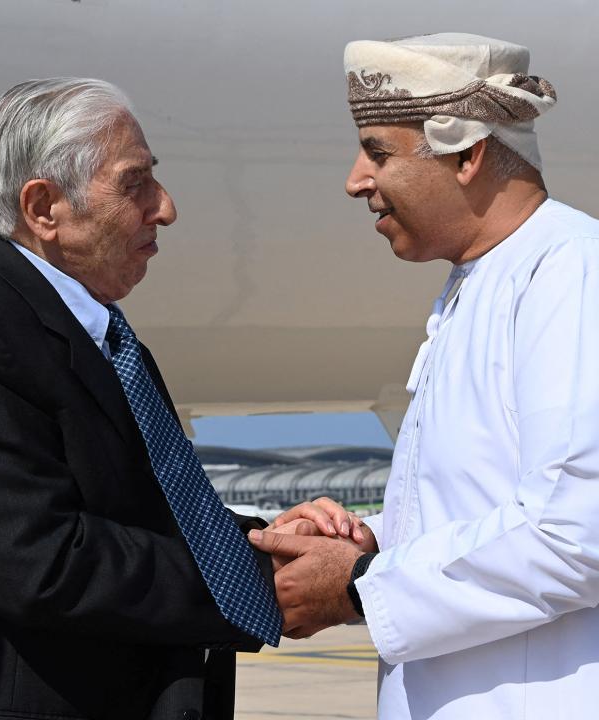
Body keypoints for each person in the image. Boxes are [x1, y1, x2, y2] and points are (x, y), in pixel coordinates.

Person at [0, 78, 355, 720]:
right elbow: (42, 562)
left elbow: (145, 521)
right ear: (44, 207)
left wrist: (267, 539)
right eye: (134, 183)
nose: (164, 207)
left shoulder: (97, 332)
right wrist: (257, 577)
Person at [250, 33, 599, 719]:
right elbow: (489, 506)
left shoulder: (570, 274)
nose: (356, 180)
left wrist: (360, 585)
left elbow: (576, 534)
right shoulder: (485, 280)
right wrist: (374, 539)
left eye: (377, 152)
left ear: (467, 154)